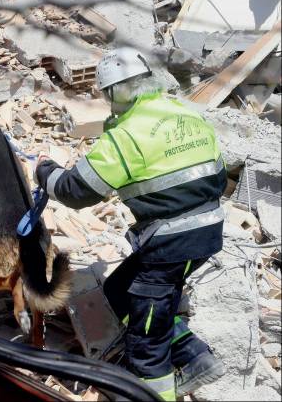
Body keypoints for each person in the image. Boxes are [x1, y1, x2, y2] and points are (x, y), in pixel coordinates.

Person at [35, 47, 227, 401]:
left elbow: (75, 192)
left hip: (172, 241)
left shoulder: (126, 136)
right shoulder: (181, 112)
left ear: (110, 93)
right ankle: (194, 357)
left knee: (146, 337)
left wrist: (44, 171)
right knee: (119, 292)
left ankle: (149, 394)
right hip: (206, 230)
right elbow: (218, 171)